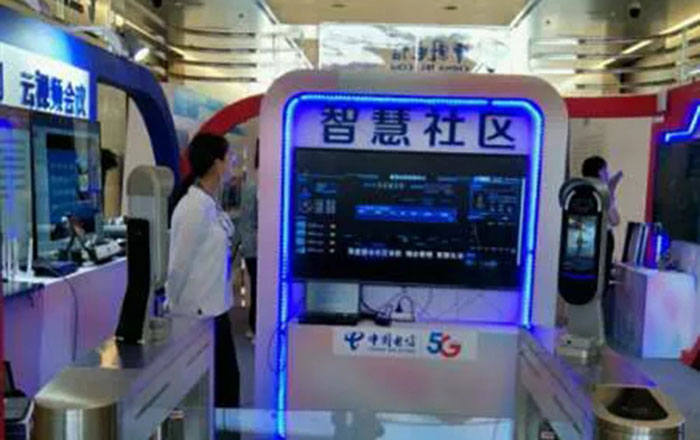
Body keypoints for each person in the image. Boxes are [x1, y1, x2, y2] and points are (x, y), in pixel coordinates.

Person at [166, 133, 239, 408]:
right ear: (216, 164)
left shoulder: (209, 203)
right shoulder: (193, 208)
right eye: (228, 158)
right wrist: (174, 309)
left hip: (216, 309)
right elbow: (178, 265)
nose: (231, 164)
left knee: (226, 386)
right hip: (198, 314)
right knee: (218, 390)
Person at [581, 156, 623, 283]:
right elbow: (615, 220)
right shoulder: (602, 192)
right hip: (602, 239)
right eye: (606, 170)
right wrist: (611, 191)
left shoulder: (581, 191)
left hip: (583, 239)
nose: (608, 174)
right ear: (600, 172)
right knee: (601, 278)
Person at [239, 142, 259, 339]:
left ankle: (254, 327)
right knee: (260, 289)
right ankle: (256, 328)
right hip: (257, 249)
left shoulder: (251, 185)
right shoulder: (259, 187)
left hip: (251, 248)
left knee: (257, 289)